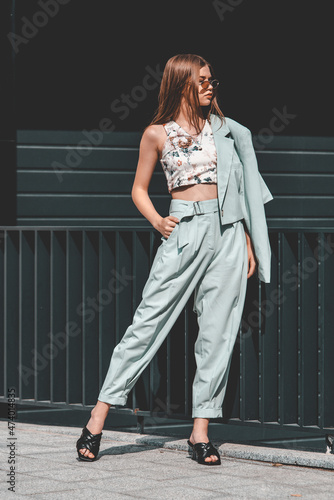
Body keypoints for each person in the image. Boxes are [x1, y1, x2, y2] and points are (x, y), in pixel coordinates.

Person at [76, 53, 273, 465]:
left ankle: (200, 432)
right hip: (184, 232)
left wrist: (249, 242)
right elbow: (139, 189)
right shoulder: (157, 134)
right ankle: (97, 420)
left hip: (229, 235)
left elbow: (239, 188)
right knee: (146, 324)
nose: (209, 87)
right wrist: (158, 221)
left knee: (217, 333)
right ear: (181, 82)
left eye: (212, 81)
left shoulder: (224, 131)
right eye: (201, 81)